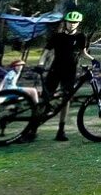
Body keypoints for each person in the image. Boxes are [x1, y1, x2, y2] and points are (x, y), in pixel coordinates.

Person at [29, 10, 94, 142]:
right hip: (55, 70)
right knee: (45, 99)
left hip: (70, 72)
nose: (72, 24)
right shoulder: (57, 36)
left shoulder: (81, 37)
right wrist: (41, 64)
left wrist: (93, 59)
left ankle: (61, 130)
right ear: (65, 22)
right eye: (70, 22)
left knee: (66, 100)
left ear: (78, 23)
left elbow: (82, 53)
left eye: (75, 22)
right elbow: (46, 52)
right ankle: (32, 131)